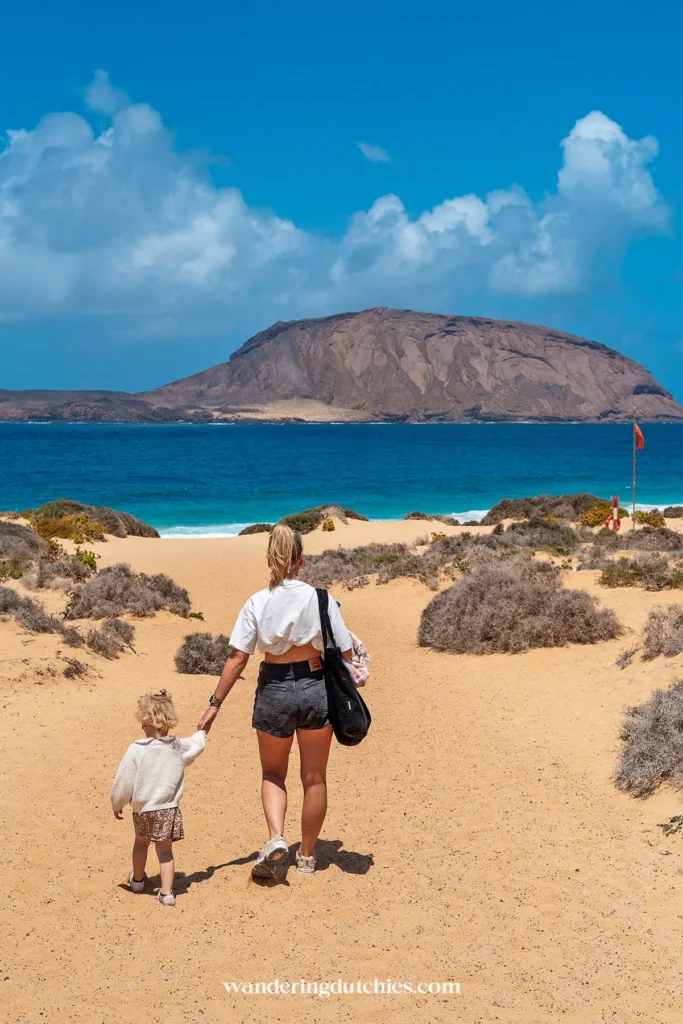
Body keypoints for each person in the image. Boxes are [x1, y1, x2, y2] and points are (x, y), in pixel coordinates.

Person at [197, 523, 353, 878]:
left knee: (272, 773)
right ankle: (307, 857)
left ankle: (276, 838)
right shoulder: (321, 599)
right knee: (314, 779)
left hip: (274, 689)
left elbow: (238, 659)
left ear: (270, 558)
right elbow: (345, 652)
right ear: (301, 559)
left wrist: (214, 704)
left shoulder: (257, 601)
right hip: (315, 686)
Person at [111, 689, 207, 906]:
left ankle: (137, 881)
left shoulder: (137, 749)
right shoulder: (177, 746)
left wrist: (117, 803)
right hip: (168, 809)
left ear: (145, 722)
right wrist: (202, 732)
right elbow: (196, 745)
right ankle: (167, 893)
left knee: (141, 842)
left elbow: (123, 781)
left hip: (143, 810)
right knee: (165, 851)